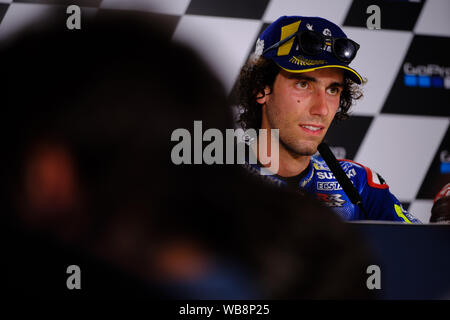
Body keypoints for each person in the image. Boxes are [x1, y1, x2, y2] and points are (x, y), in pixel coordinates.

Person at [236, 15, 420, 223]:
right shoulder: (212, 183)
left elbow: (421, 249)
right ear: (261, 89)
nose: (322, 109)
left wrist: (442, 231)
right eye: (303, 85)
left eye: (333, 89)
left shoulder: (358, 183)